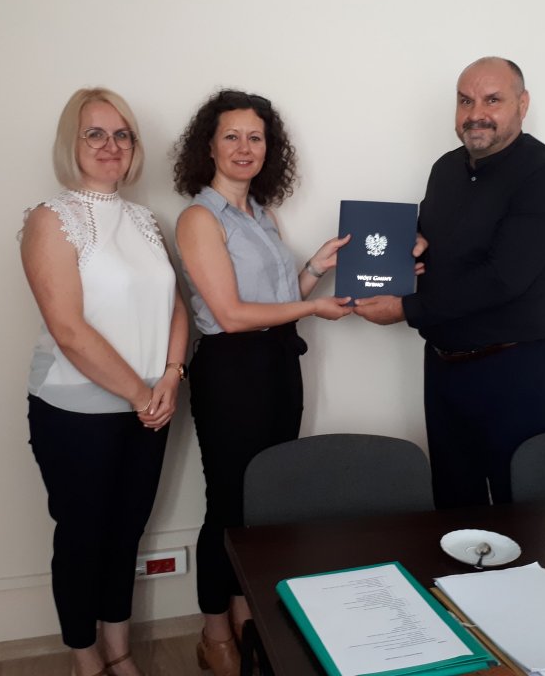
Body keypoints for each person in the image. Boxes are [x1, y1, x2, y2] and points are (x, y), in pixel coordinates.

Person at [172, 89, 352, 676]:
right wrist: (312, 309)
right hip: (231, 372)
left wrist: (315, 269)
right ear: (209, 146)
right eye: (232, 136)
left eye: (256, 137)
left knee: (268, 499)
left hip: (277, 366)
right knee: (228, 503)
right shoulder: (199, 218)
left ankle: (249, 615)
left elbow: (276, 301)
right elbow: (229, 315)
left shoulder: (262, 216)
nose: (244, 147)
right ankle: (214, 634)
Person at [19, 87, 188, 676]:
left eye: (122, 134)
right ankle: (85, 656)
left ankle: (120, 650)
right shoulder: (50, 219)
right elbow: (68, 329)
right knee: (83, 537)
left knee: (126, 533)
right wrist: (142, 394)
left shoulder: (144, 220)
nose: (110, 145)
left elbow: (175, 306)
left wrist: (171, 376)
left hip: (153, 405)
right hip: (77, 411)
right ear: (72, 142)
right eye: (95, 133)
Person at [354, 57, 545, 508]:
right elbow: (435, 244)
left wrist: (405, 309)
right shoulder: (445, 169)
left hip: (513, 371)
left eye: (492, 100)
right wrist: (409, 247)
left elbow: (502, 279)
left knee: (522, 509)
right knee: (453, 509)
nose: (476, 113)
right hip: (444, 367)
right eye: (465, 101)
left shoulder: (544, 173)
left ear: (522, 104)